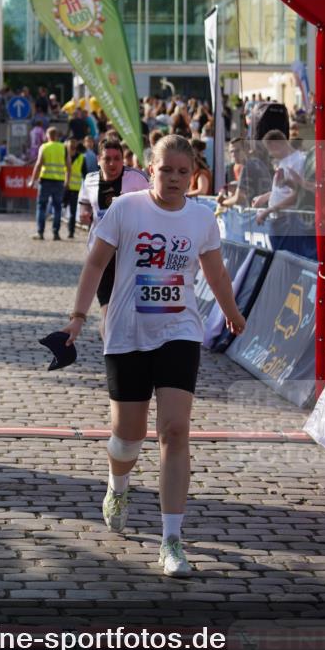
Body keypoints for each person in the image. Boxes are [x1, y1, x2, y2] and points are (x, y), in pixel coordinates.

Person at [63, 135, 246, 577]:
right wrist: (78, 317)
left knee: (175, 430)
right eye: (167, 171)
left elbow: (216, 272)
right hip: (127, 332)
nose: (176, 179)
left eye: (184, 172)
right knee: (128, 438)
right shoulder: (126, 209)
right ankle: (118, 484)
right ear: (150, 170)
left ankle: (171, 541)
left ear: (193, 173)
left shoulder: (202, 220)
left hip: (179, 330)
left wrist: (232, 314)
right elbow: (95, 264)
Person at [78, 136, 149, 334]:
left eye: (117, 158)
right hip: (101, 253)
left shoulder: (137, 178)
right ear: (99, 159)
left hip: (132, 253)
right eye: (107, 159)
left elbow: (155, 205)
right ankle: (111, 349)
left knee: (129, 310)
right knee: (107, 312)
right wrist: (84, 216)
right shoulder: (90, 180)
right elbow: (84, 207)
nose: (112, 163)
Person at [29, 126, 70, 241]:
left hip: (45, 181)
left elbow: (38, 164)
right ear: (57, 136)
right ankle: (56, 233)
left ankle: (40, 232)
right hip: (59, 182)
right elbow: (69, 166)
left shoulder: (44, 147)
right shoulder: (64, 148)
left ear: (47, 136)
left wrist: (33, 180)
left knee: (41, 206)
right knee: (57, 208)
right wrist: (67, 180)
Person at [64, 138, 84, 239]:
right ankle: (57, 231)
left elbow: (85, 173)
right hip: (63, 187)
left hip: (74, 188)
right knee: (59, 209)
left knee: (72, 211)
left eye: (73, 144)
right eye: (70, 144)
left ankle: (70, 232)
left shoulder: (81, 157)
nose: (72, 146)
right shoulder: (62, 156)